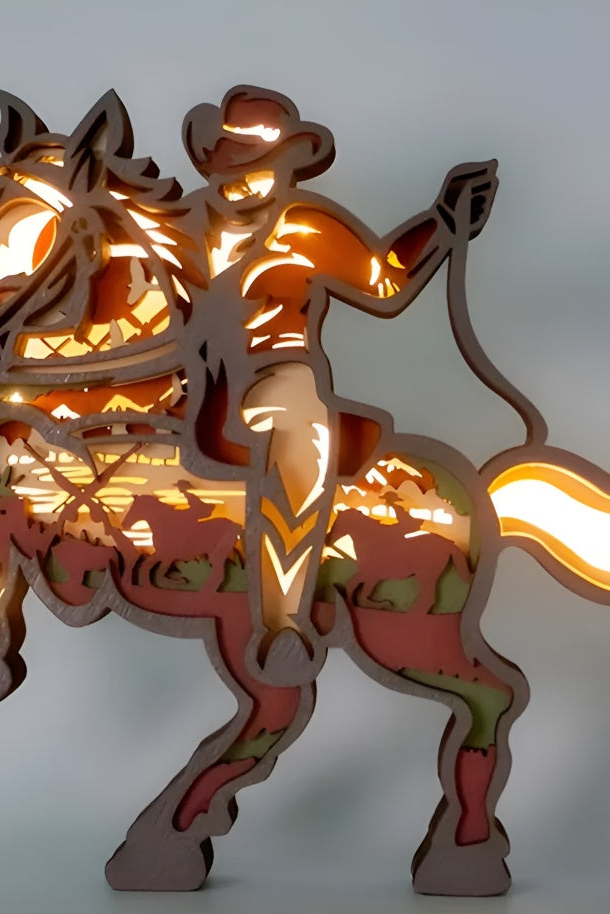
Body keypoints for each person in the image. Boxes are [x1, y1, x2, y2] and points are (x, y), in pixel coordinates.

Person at [167, 85, 497, 681]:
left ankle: (282, 622)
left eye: (261, 167)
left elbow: (382, 280)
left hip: (273, 370)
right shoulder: (176, 227)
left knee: (301, 427)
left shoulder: (306, 226)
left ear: (286, 167)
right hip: (181, 374)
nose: (245, 181)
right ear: (213, 163)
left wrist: (443, 222)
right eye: (235, 164)